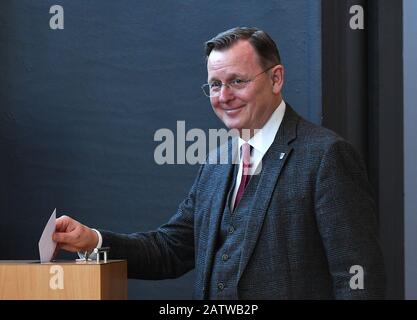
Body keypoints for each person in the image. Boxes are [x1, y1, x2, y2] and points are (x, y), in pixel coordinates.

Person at [53, 27, 385, 299]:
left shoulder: (326, 156)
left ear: (276, 79)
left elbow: (357, 279)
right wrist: (94, 240)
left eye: (237, 81)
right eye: (215, 85)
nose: (223, 96)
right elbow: (172, 249)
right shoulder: (216, 161)